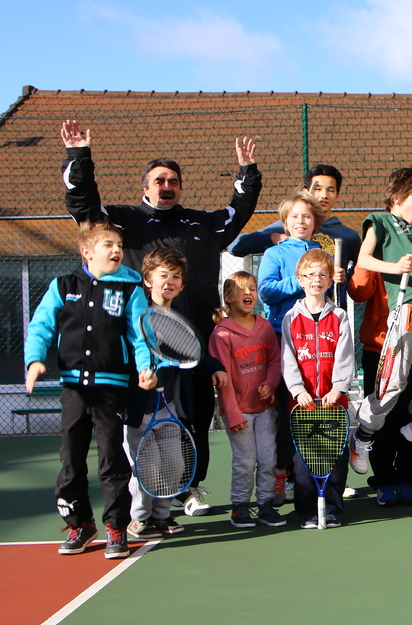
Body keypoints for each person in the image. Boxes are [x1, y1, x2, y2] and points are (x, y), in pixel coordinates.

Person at [61, 119, 263, 516]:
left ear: (180, 187)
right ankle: (144, 503)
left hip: (196, 343)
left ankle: (190, 488)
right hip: (141, 348)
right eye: (159, 181)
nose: (166, 186)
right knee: (140, 426)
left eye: (173, 181)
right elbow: (82, 203)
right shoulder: (123, 221)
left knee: (195, 416)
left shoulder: (202, 224)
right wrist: (78, 156)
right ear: (146, 187)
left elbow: (238, 211)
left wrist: (247, 171)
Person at [24, 220, 153, 559]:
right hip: (73, 389)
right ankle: (81, 524)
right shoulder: (63, 285)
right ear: (86, 252)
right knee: (71, 459)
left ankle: (116, 527)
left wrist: (146, 367)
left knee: (111, 458)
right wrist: (34, 360)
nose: (116, 250)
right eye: (108, 244)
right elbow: (41, 325)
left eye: (119, 245)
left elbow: (141, 335)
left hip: (111, 389)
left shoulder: (130, 288)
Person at [124, 248, 224, 540]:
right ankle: (139, 519)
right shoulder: (134, 316)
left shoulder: (178, 318)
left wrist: (215, 367)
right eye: (163, 275)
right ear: (147, 280)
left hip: (168, 408)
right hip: (138, 409)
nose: (169, 282)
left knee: (173, 464)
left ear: (182, 285)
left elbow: (194, 354)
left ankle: (162, 515)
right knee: (146, 466)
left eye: (176, 277)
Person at [350, 168, 412, 472]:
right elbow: (364, 259)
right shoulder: (379, 221)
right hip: (407, 309)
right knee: (394, 380)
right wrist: (394, 267)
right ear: (397, 197)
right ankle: (363, 434)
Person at [257, 190, 345, 505]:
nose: (300, 222)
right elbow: (266, 291)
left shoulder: (322, 250)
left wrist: (333, 277)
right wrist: (304, 279)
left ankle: (317, 473)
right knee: (288, 413)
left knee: (318, 411)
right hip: (286, 339)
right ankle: (282, 474)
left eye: (306, 216)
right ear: (285, 221)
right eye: (294, 216)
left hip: (321, 342)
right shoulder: (274, 253)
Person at [347, 263, 412, 506]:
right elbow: (359, 292)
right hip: (380, 351)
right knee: (381, 418)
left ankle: (407, 479)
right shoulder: (376, 264)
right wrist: (366, 257)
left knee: (410, 418)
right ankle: (384, 481)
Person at [280, 249, 356, 528]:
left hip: (333, 403)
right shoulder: (291, 318)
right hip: (303, 405)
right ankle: (307, 511)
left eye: (323, 274)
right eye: (310, 274)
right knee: (304, 461)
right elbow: (287, 358)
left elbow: (345, 355)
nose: (316, 279)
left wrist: (338, 388)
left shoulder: (339, 316)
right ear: (300, 279)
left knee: (334, 458)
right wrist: (297, 389)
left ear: (330, 279)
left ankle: (332, 508)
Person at [209, 271, 286, 528]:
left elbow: (274, 361)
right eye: (241, 289)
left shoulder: (264, 326)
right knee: (245, 460)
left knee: (268, 458)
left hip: (265, 409)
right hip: (239, 411)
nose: (248, 293)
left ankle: (265, 504)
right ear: (228, 297)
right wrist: (232, 413)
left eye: (252, 288)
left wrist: (270, 385)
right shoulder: (222, 335)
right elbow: (223, 380)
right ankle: (240, 505)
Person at [229, 163, 361, 304]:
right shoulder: (290, 226)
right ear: (305, 192)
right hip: (287, 314)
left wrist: (343, 278)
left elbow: (360, 276)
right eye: (317, 189)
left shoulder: (348, 236)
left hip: (327, 312)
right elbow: (234, 246)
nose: (324, 195)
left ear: (337, 195)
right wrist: (271, 237)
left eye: (330, 190)